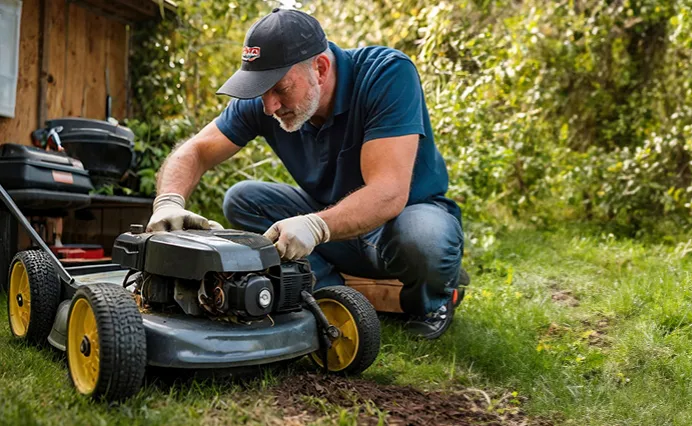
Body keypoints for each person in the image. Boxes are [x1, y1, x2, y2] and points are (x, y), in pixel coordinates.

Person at [145, 8, 466, 339]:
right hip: (336, 231)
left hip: (399, 225)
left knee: (425, 239)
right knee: (243, 199)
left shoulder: (385, 74)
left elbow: (388, 192)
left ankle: (433, 297)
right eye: (261, 91)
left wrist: (316, 225)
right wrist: (168, 202)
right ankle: (328, 294)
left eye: (279, 88)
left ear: (321, 69)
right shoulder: (265, 101)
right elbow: (195, 150)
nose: (269, 106)